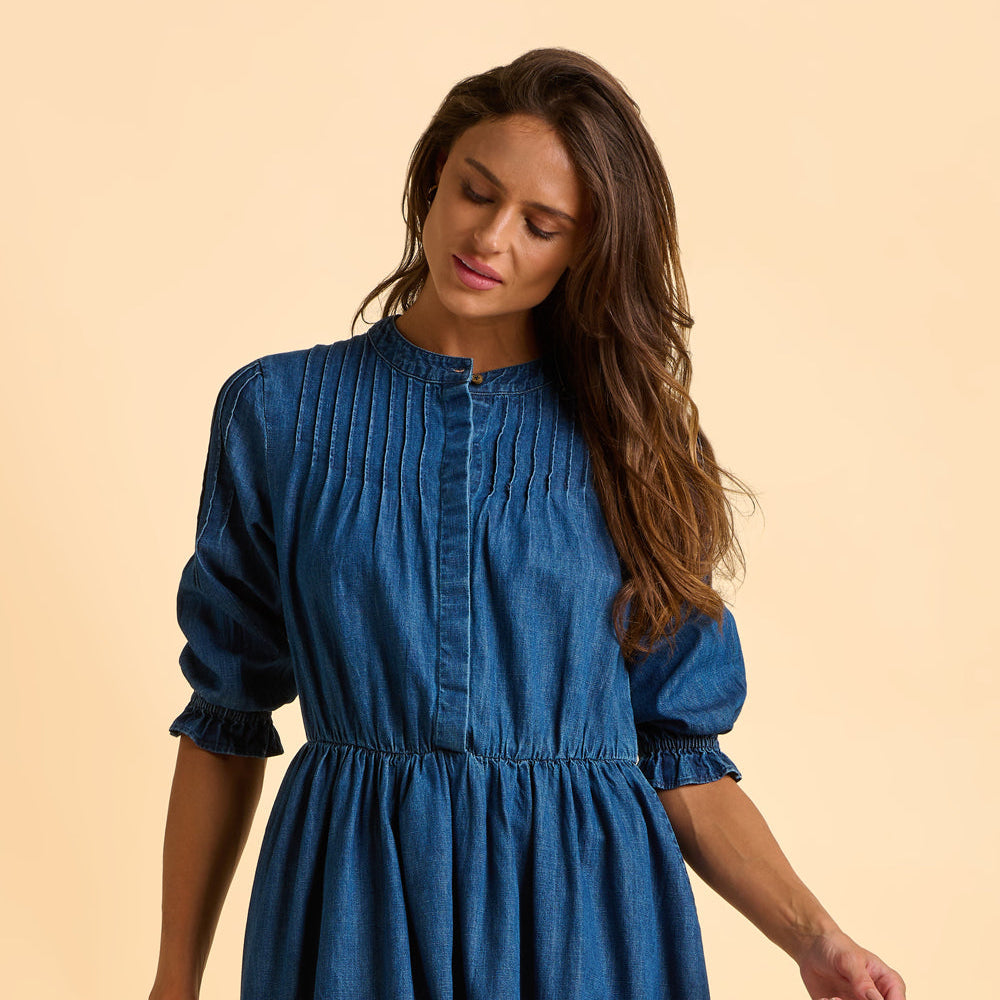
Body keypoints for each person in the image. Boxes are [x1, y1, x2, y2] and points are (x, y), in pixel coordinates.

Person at [149, 47, 906, 1000]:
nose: (491, 236)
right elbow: (224, 718)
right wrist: (174, 977)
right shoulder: (280, 413)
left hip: (585, 925)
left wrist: (816, 940)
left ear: (584, 250)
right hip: (352, 911)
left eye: (542, 225)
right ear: (434, 177)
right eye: (477, 191)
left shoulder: (632, 441)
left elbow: (685, 762)